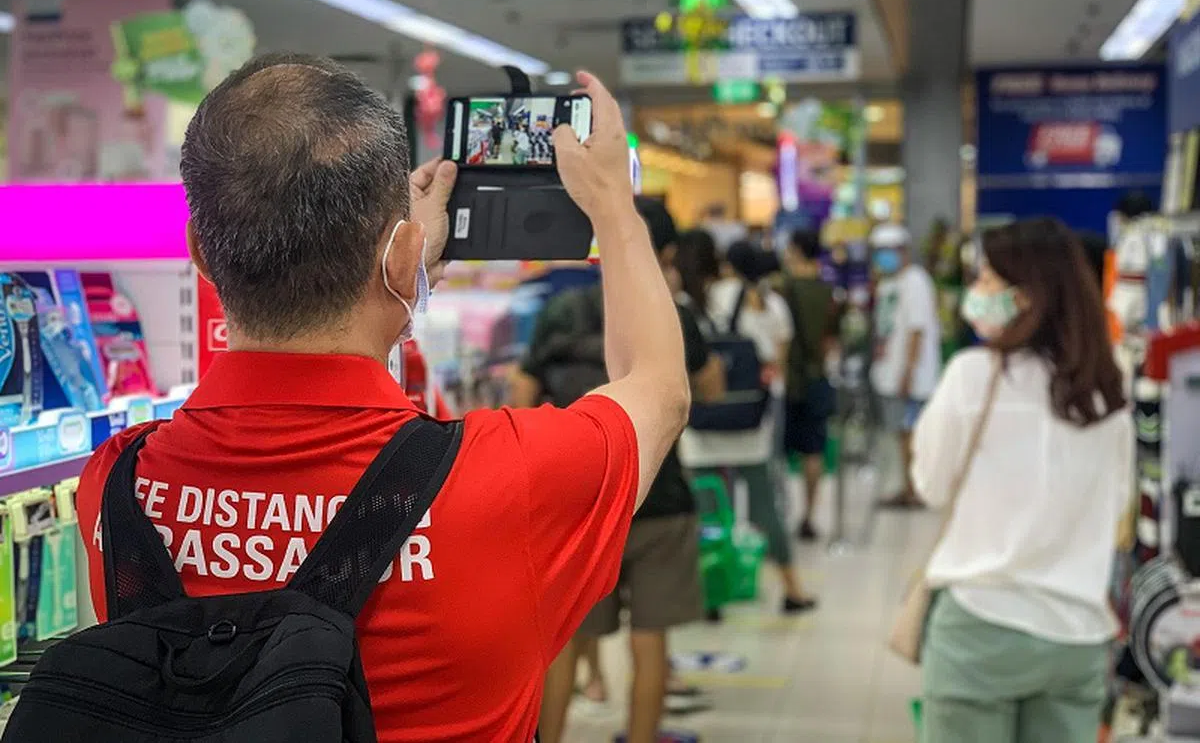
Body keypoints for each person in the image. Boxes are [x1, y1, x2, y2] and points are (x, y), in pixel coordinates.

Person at [74, 56, 692, 743]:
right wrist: (612, 206)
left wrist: (395, 282)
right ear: (400, 258)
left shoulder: (113, 484)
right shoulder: (509, 481)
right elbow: (658, 385)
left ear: (199, 251)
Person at [913, 217, 1131, 743]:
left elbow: (931, 485)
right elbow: (1118, 506)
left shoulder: (974, 376)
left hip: (981, 625)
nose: (976, 292)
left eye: (988, 279)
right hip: (1077, 634)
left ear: (1028, 297)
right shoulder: (1105, 393)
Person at [522, 198, 718, 743]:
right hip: (658, 496)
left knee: (559, 642)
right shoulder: (675, 319)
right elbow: (710, 387)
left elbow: (521, 392)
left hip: (577, 505)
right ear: (669, 252)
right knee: (650, 640)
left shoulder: (561, 312)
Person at [675, 232, 817, 613]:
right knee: (764, 508)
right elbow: (774, 362)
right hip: (749, 425)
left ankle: (710, 595)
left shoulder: (682, 305)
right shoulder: (757, 300)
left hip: (699, 428)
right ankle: (792, 588)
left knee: (706, 512)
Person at [870, 223, 941, 508]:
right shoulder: (888, 284)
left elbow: (917, 329)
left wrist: (909, 371)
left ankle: (916, 489)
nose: (883, 258)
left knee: (913, 434)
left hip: (910, 376)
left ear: (903, 252)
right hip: (890, 372)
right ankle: (906, 485)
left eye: (888, 252)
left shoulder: (916, 282)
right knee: (901, 434)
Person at [778, 229, 838, 541]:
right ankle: (809, 515)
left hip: (787, 382)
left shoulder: (783, 289)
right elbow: (832, 339)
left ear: (797, 251)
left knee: (779, 451)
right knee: (813, 450)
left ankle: (778, 518)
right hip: (817, 378)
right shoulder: (828, 292)